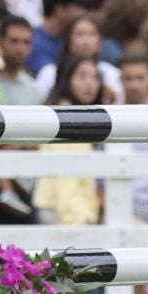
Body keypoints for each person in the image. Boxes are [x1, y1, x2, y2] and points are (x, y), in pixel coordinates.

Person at [35, 56, 109, 227]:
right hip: (66, 213)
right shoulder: (67, 118)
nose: (90, 84)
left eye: (95, 77)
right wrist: (76, 220)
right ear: (67, 80)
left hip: (70, 209)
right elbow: (66, 180)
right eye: (82, 76)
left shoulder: (82, 117)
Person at [35, 14, 123, 99]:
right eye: (79, 34)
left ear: (100, 41)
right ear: (69, 41)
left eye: (91, 34)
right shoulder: (49, 73)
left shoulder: (112, 74)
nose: (86, 41)